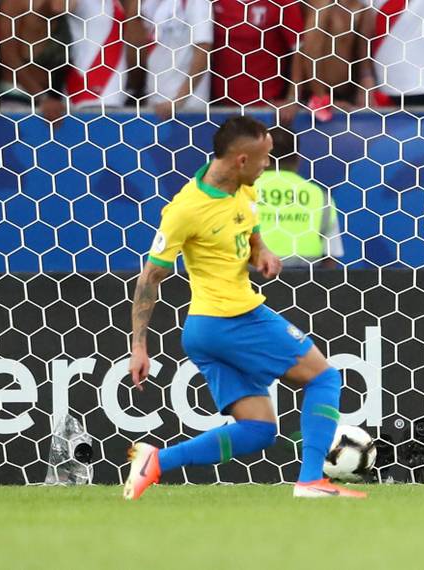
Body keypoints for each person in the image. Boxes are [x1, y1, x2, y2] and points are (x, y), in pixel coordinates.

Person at [124, 117, 365, 500]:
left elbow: (251, 237)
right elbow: (149, 277)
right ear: (240, 159)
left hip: (205, 331)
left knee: (258, 430)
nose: (269, 165)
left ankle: (155, 462)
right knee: (324, 378)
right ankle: (310, 482)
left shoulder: (245, 190)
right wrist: (139, 346)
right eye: (265, 158)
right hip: (231, 319)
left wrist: (263, 254)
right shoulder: (185, 209)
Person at [255, 128, 344, 268]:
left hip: (249, 279)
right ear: (298, 158)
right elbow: (331, 255)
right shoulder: (319, 195)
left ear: (261, 158)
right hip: (306, 281)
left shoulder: (240, 190)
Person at [211, 0, 303, 124]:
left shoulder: (282, 3)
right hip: (218, 106)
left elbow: (300, 49)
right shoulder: (215, 2)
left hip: (267, 105)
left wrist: (293, 97)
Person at [135, 0, 213, 119]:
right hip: (155, 104)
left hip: (187, 107)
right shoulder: (152, 4)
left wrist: (178, 100)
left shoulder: (197, 2)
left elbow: (203, 49)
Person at [0, 0, 69, 122]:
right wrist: (42, 97)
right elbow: (8, 54)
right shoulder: (12, 3)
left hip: (54, 97)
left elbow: (57, 7)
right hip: (18, 95)